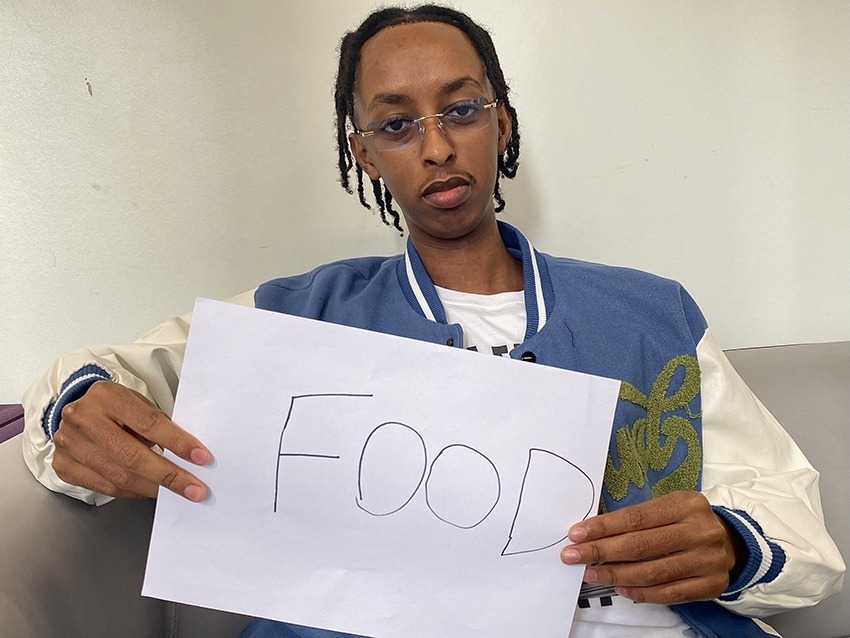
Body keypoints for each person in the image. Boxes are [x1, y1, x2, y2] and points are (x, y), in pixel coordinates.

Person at [21, 5, 843, 638]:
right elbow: (111, 376)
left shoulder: (653, 311)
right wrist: (78, 408)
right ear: (363, 153)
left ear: (503, 122)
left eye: (461, 108)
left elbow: (795, 524)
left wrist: (734, 545)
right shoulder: (297, 316)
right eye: (396, 123)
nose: (438, 146)